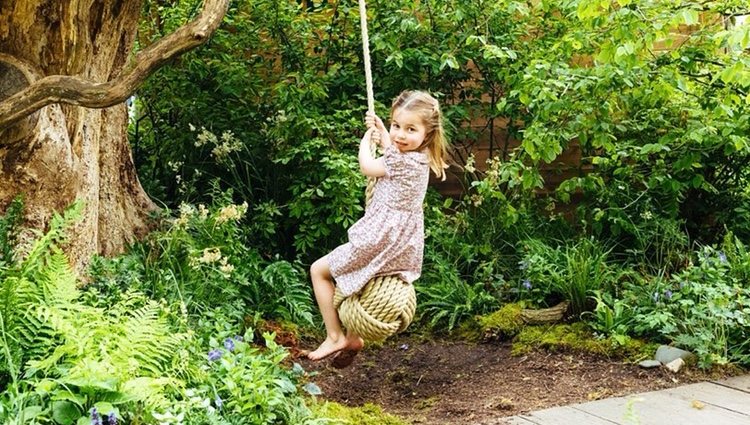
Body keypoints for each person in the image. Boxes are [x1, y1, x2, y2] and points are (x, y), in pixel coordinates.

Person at [306, 90, 449, 367]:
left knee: (319, 271)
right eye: (397, 125)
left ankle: (335, 335)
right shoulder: (421, 158)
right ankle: (353, 336)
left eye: (410, 129)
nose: (400, 135)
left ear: (427, 134)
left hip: (378, 239)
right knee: (364, 282)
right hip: (401, 243)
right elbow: (395, 153)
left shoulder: (400, 160)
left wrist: (365, 141)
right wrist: (384, 133)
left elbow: (368, 166)